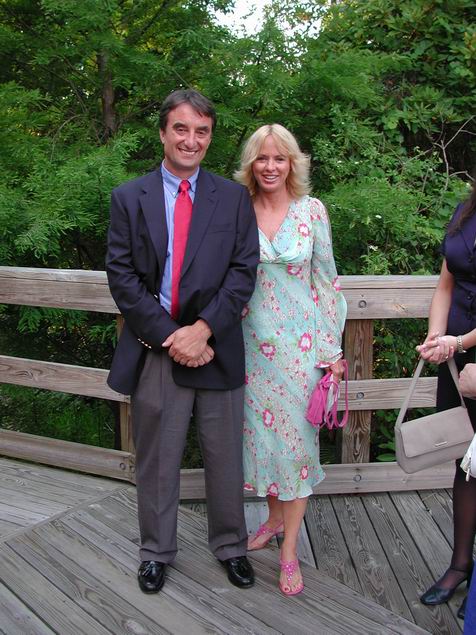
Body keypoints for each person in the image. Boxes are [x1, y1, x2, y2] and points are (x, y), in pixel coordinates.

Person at [106, 89, 260, 594]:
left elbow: (243, 271)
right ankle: (155, 552)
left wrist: (203, 330)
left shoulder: (233, 198)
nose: (191, 140)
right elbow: (122, 277)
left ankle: (231, 546)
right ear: (163, 132)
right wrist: (174, 336)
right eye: (181, 128)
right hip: (156, 347)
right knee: (157, 459)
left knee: (224, 457)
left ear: (210, 138)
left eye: (201, 131)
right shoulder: (129, 197)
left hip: (217, 345)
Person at [235, 124, 347, 595]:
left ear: (292, 163)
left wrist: (331, 350)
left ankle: (289, 553)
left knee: (297, 450)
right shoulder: (237, 209)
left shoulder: (311, 210)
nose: (270, 166)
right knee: (264, 444)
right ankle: (273, 518)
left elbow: (326, 281)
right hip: (249, 353)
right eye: (262, 158)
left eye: (279, 158)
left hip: (302, 354)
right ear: (251, 164)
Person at [416, 179, 476, 619]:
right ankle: (460, 565)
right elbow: (445, 284)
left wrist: (460, 342)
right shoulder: (464, 211)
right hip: (455, 355)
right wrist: (437, 337)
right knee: (466, 462)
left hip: (466, 346)